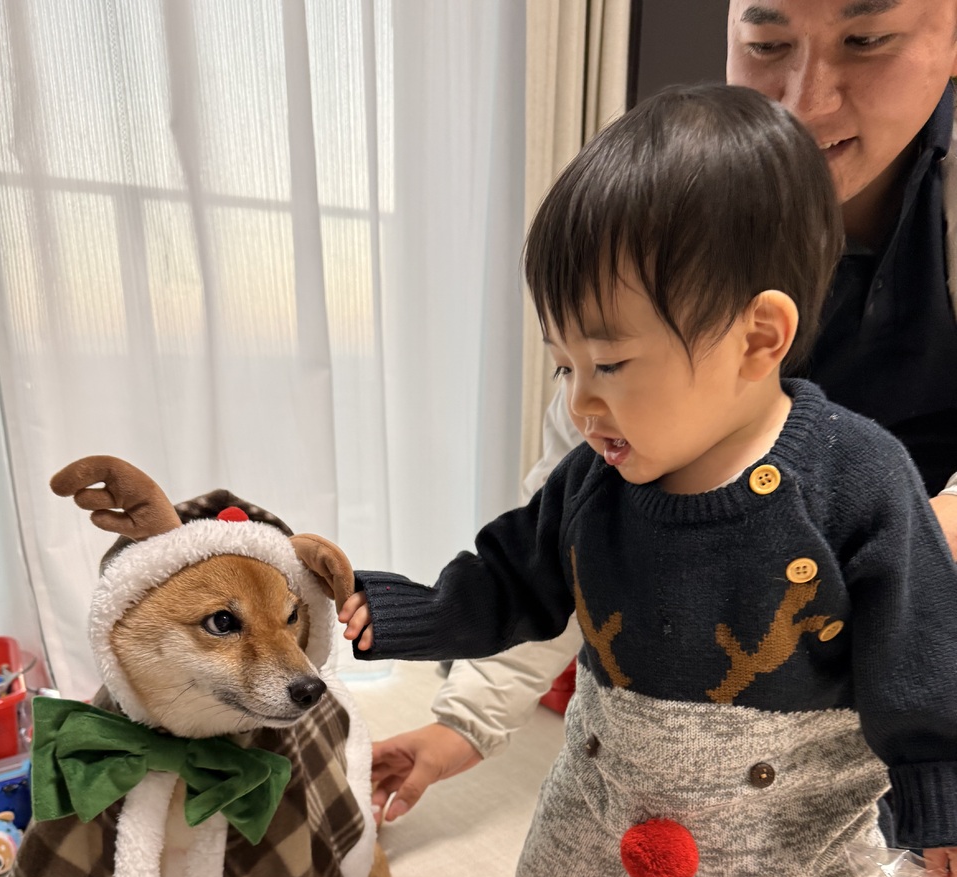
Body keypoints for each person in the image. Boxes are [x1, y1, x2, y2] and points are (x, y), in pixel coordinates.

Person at [336, 84, 957, 877]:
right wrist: (408, 613)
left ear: (757, 338)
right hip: (608, 786)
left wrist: (939, 802)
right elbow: (513, 578)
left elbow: (918, 655)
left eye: (611, 365)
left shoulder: (858, 479)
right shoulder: (594, 477)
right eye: (564, 366)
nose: (580, 404)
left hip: (796, 824)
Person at [370, 0, 957, 827]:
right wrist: (464, 721)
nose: (805, 100)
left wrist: (898, 540)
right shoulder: (669, 218)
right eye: (766, 45)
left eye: (865, 41)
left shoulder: (867, 482)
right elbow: (562, 530)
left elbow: (913, 616)